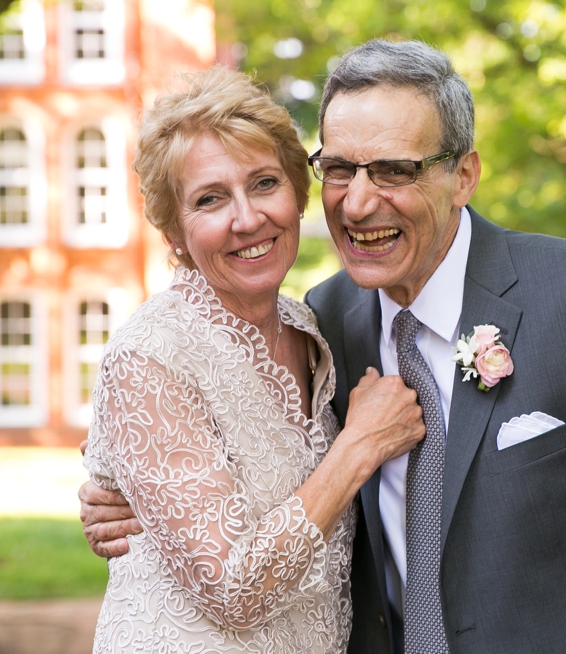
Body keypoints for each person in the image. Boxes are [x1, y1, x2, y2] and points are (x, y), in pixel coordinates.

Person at [82, 41, 566, 653]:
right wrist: (127, 493)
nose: (358, 203)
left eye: (396, 170)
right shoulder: (327, 321)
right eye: (341, 169)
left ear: (463, 175)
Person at [81, 65, 425, 654]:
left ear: (297, 192)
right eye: (210, 199)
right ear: (175, 234)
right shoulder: (150, 355)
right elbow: (234, 586)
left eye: (264, 183)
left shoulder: (313, 326)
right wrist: (359, 447)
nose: (247, 218)